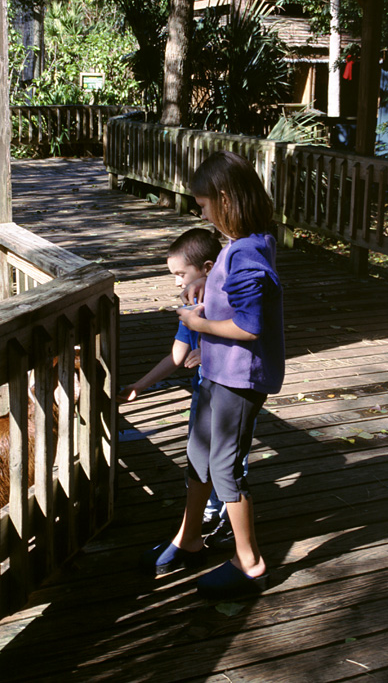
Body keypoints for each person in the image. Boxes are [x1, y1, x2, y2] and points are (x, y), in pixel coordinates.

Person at [140, 150, 285, 601]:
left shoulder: (245, 254)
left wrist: (200, 324)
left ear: (225, 199)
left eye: (203, 204)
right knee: (199, 456)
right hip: (219, 373)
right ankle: (189, 538)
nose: (200, 211)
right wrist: (210, 293)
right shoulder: (243, 243)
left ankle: (250, 562)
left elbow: (249, 326)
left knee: (225, 469)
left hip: (239, 379)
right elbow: (236, 296)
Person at [118, 228, 227, 533]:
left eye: (181, 273)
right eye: (173, 275)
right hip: (203, 392)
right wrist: (139, 385)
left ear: (207, 268)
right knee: (199, 449)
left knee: (229, 456)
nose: (177, 282)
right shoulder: (190, 310)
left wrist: (210, 353)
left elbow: (246, 339)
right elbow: (176, 357)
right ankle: (208, 510)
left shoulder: (226, 303)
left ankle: (227, 514)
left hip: (232, 394)